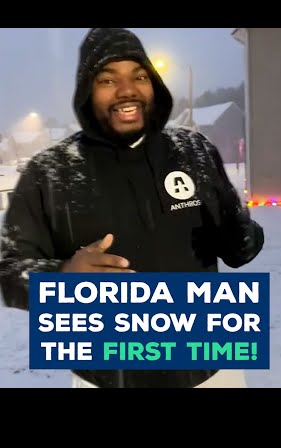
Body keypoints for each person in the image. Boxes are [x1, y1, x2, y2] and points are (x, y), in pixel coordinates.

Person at [0, 28, 264, 389]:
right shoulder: (51, 172)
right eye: (108, 79)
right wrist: (62, 278)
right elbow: (8, 268)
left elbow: (240, 246)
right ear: (86, 90)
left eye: (139, 76)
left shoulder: (192, 150)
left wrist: (240, 232)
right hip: (107, 376)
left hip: (208, 368)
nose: (127, 90)